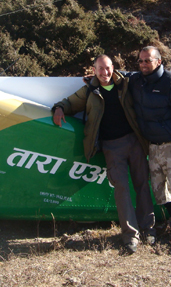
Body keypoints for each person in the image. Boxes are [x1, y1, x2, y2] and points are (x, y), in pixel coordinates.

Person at [51, 55, 155, 254]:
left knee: (142, 184)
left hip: (134, 142)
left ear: (113, 68)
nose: (104, 73)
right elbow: (69, 103)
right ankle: (130, 236)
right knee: (122, 189)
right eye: (100, 69)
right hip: (111, 147)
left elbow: (145, 81)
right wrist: (58, 109)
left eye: (107, 68)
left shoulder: (125, 84)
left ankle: (149, 230)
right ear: (94, 70)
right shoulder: (89, 90)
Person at [127, 46, 171, 245]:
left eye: (147, 60)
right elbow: (121, 77)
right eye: (140, 61)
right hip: (153, 146)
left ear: (158, 61)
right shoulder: (137, 80)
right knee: (159, 190)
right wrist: (92, 79)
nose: (143, 64)